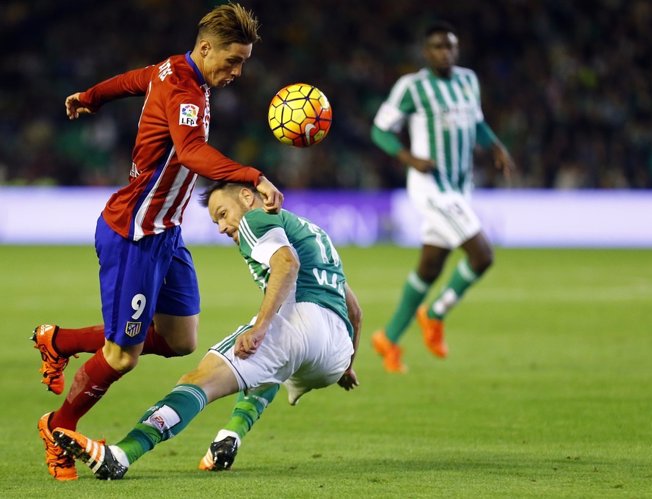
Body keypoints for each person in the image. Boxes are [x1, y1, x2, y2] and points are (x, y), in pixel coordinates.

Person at [34, 2, 284, 481]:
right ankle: (59, 427)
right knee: (121, 356)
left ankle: (58, 341)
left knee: (180, 339)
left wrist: (91, 95)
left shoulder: (174, 70)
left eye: (243, 63)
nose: (237, 71)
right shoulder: (185, 89)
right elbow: (190, 152)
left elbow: (132, 80)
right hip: (136, 232)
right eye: (232, 61)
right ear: (205, 48)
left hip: (166, 232)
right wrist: (252, 175)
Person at [51, 181, 361, 480]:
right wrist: (347, 366)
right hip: (336, 353)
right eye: (216, 222)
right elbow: (355, 310)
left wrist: (260, 327)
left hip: (302, 323)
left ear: (246, 196)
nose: (223, 228)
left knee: (199, 381)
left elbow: (287, 264)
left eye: (223, 214)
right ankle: (231, 435)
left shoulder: (256, 218)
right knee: (270, 366)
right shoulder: (313, 233)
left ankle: (120, 455)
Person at [370, 21, 514, 373]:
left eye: (450, 46)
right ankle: (435, 314)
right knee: (482, 255)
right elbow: (380, 129)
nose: (444, 53)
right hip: (430, 188)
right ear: (425, 52)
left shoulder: (468, 81)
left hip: (459, 186)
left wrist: (494, 145)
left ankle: (388, 339)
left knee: (430, 267)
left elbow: (476, 123)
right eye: (437, 47)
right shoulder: (412, 87)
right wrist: (409, 158)